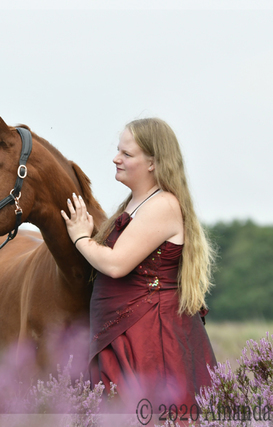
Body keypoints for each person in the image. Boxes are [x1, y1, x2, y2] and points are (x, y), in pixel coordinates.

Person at [61, 117, 217, 413]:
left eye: (127, 154)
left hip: (148, 335)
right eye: (118, 150)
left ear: (153, 163)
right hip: (127, 330)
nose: (115, 158)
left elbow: (117, 265)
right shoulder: (137, 202)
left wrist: (81, 238)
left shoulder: (163, 205)